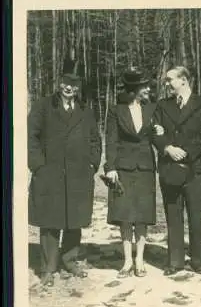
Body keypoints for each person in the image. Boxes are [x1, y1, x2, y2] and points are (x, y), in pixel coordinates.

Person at [28, 71, 102, 287]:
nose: (69, 88)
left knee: (74, 218)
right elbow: (29, 136)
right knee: (50, 220)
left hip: (79, 174)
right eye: (65, 84)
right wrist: (38, 165)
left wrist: (92, 164)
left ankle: (70, 261)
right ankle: (48, 268)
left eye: (74, 85)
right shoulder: (43, 106)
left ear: (79, 88)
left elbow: (95, 139)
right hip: (49, 173)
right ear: (59, 84)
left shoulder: (85, 111)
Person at [152, 66, 201, 276]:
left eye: (170, 80)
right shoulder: (162, 106)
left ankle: (199, 260)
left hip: (195, 168)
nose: (167, 84)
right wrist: (168, 148)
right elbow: (154, 132)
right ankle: (175, 261)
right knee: (173, 214)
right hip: (169, 167)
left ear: (183, 80)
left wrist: (185, 152)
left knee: (197, 216)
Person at [103, 67, 163, 278]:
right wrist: (110, 167)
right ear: (134, 89)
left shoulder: (153, 109)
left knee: (143, 215)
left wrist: (161, 132)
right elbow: (111, 140)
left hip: (146, 168)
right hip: (124, 168)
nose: (148, 89)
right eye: (144, 86)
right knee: (125, 215)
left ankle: (140, 260)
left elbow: (159, 136)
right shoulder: (115, 110)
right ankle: (127, 260)